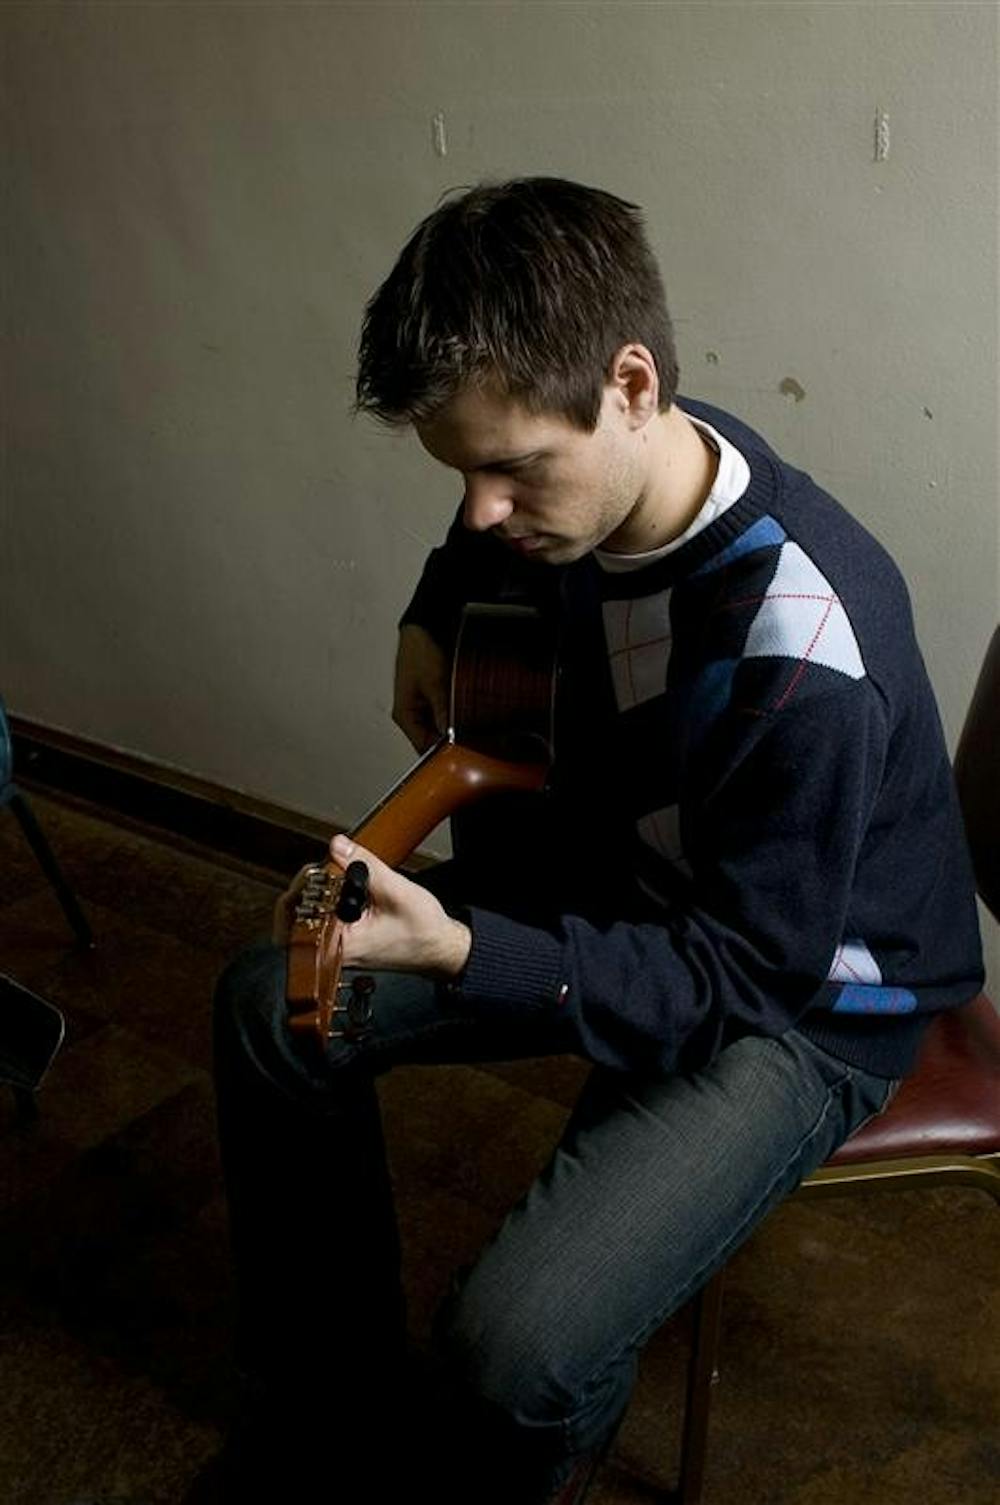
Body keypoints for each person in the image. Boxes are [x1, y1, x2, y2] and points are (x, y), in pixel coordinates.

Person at [210, 178, 983, 1504]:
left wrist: (464, 947)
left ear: (631, 382)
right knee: (266, 1008)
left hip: (799, 994)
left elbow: (737, 974)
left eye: (510, 469)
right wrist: (427, 603)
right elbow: (483, 542)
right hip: (626, 889)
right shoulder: (600, 480)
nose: (483, 508)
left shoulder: (804, 640)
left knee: (512, 1349)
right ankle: (338, 1404)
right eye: (461, 472)